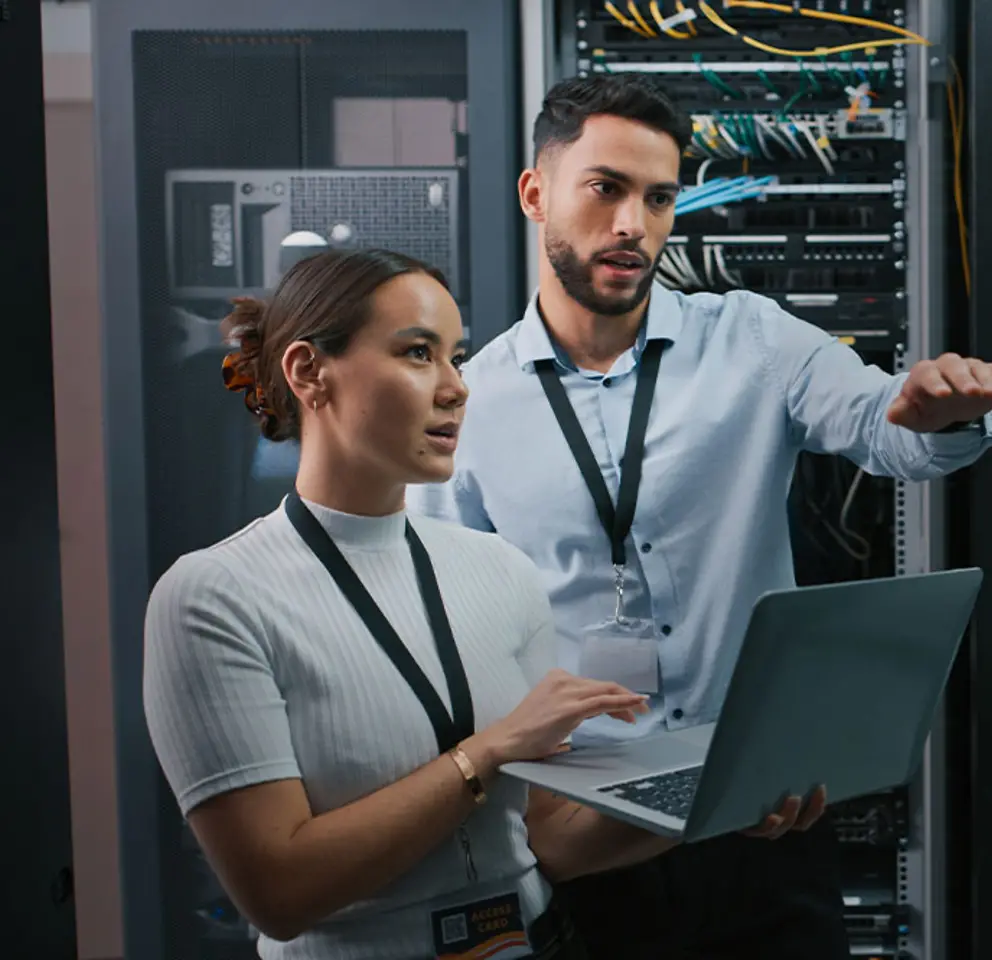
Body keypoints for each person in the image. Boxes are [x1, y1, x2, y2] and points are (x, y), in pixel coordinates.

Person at [408, 75, 992, 959]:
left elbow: (887, 429)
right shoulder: (473, 401)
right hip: (589, 828)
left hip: (762, 811)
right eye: (606, 188)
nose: (635, 224)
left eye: (660, 198)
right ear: (536, 194)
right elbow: (451, 628)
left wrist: (939, 410)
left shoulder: (752, 340)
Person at [143, 248, 721, 959]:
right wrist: (488, 753)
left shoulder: (501, 569)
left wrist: (717, 800)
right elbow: (278, 892)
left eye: (459, 356)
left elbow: (548, 840)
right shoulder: (214, 598)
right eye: (419, 353)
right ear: (307, 372)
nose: (457, 387)